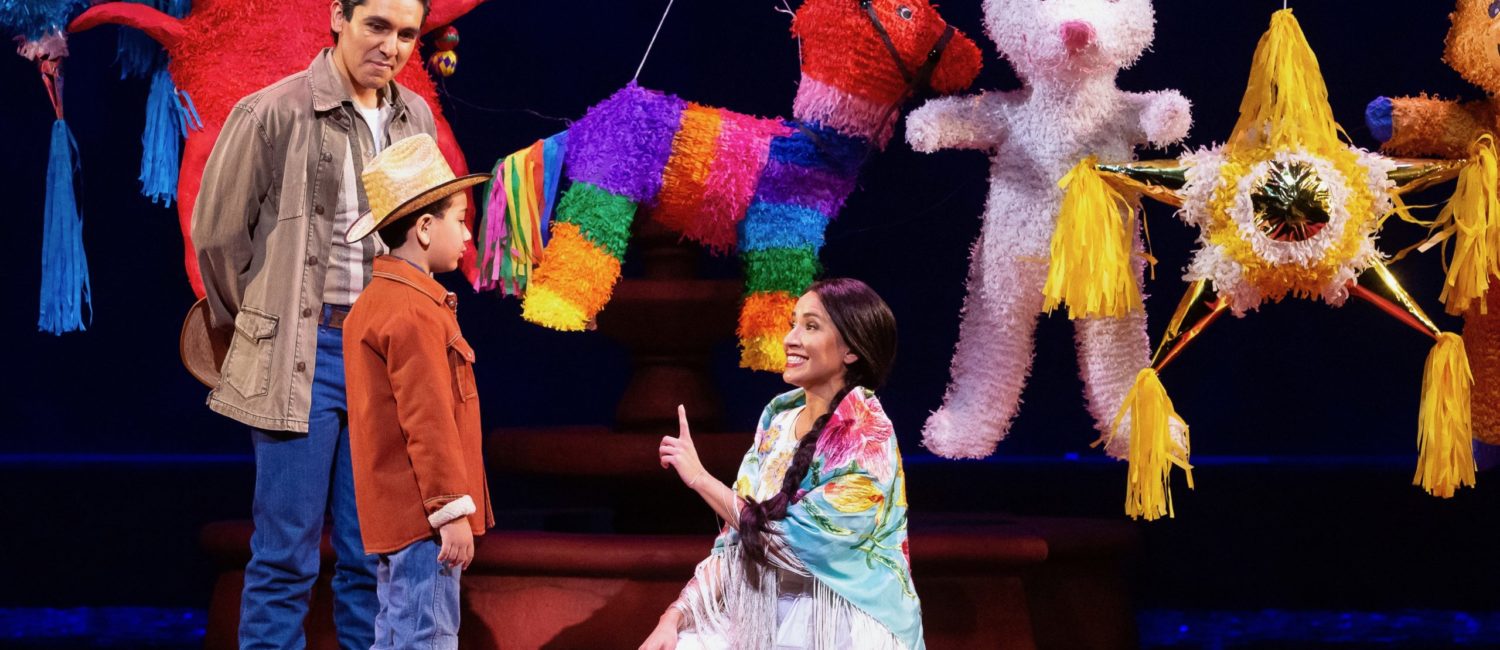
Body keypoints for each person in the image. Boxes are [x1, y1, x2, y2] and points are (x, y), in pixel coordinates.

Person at [189, 0, 437, 646]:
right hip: (308, 350)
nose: (391, 46)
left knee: (370, 558)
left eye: (407, 34)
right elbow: (217, 238)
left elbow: (424, 239)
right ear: (338, 17)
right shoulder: (273, 112)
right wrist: (257, 325)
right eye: (376, 25)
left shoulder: (415, 118)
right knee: (284, 558)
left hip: (386, 359)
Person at [647, 278, 923, 649]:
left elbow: (792, 546)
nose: (790, 338)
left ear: (851, 350)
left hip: (839, 622)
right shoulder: (778, 421)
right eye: (793, 323)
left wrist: (700, 478)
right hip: (766, 608)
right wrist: (674, 616)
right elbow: (736, 541)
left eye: (811, 326)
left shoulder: (866, 433)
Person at [341, 133, 493, 650]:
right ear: (426, 228)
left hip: (401, 516)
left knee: (396, 635)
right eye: (460, 219)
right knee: (425, 637)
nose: (467, 233)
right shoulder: (411, 311)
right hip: (423, 520)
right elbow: (427, 420)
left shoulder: (377, 302)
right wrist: (450, 510)